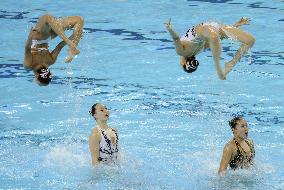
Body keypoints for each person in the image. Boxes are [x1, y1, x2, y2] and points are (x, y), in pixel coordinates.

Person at [165, 17, 255, 80]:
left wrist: (170, 29)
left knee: (214, 37)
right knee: (250, 40)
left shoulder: (188, 51)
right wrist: (236, 25)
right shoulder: (190, 51)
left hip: (206, 30)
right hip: (214, 29)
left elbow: (176, 39)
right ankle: (225, 66)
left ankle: (225, 65)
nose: (180, 63)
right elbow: (220, 38)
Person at [23, 13, 84, 85]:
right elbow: (27, 48)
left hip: (45, 37)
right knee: (47, 17)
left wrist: (74, 37)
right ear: (36, 77)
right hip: (39, 36)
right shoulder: (29, 65)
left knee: (79, 20)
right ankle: (72, 47)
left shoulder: (50, 61)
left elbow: (60, 46)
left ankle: (72, 47)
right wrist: (30, 36)